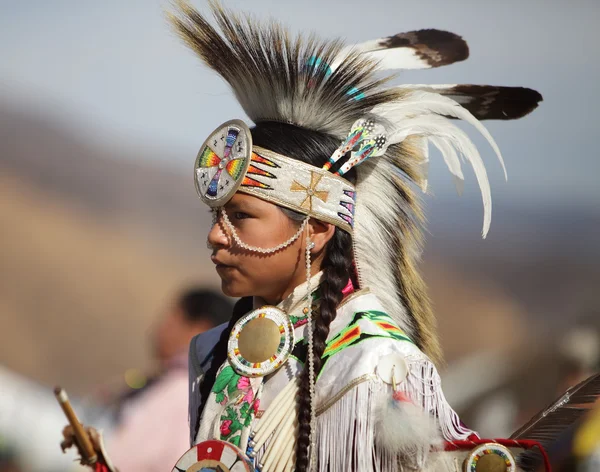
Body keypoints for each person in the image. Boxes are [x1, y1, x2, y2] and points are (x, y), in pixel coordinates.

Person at [65, 2, 550, 471]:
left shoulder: (375, 367)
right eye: (216, 215)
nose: (216, 236)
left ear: (315, 229)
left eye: (241, 216)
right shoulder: (214, 353)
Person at [61, 288, 232, 472]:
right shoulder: (201, 393)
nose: (160, 326)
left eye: (172, 316)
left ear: (199, 329)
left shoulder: (180, 392)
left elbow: (118, 461)